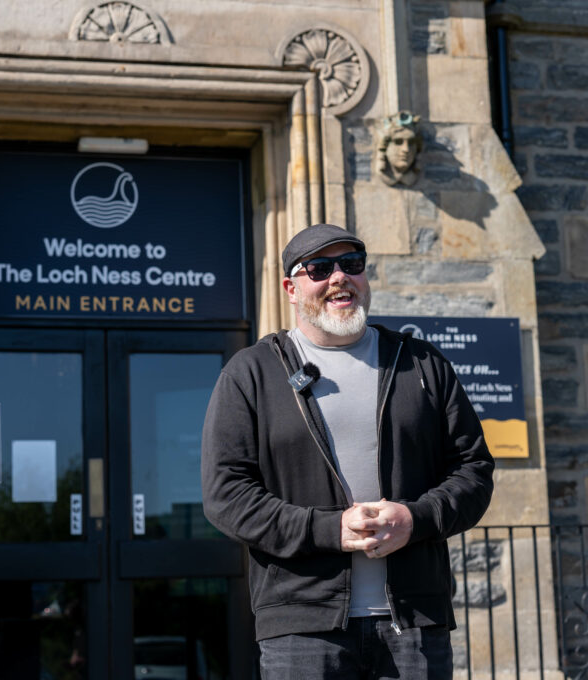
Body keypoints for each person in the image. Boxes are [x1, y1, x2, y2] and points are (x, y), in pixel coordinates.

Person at [201, 223, 495, 679]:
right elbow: (227, 495)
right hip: (302, 628)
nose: (339, 277)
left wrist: (415, 520)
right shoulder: (252, 373)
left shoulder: (421, 363)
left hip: (414, 625)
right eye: (319, 268)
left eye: (351, 264)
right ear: (291, 288)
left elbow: (473, 470)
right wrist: (329, 529)